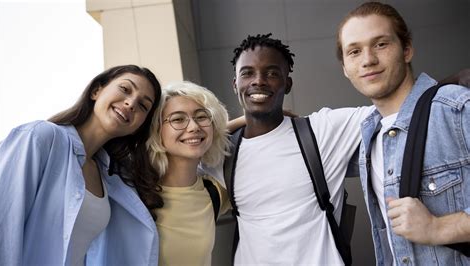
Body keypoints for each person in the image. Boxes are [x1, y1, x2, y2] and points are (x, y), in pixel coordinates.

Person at [337, 2, 470, 265]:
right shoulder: (368, 136)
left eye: (381, 44)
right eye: (354, 51)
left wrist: (438, 228)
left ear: (407, 49)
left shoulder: (456, 108)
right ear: (345, 68)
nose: (368, 60)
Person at [224, 33, 374, 265]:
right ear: (236, 84)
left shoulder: (321, 130)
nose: (259, 81)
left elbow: (398, 107)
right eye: (247, 73)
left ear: (288, 83)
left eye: (272, 73)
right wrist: (235, 123)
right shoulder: (223, 152)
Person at [0, 65, 163, 266]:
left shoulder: (110, 178)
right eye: (125, 89)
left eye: (143, 106)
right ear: (96, 91)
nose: (131, 103)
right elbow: (1, 221)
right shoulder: (41, 137)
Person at [147, 81, 231, 266]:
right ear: (156, 130)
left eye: (202, 117)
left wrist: (253, 120)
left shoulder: (215, 192)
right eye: (178, 119)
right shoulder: (134, 193)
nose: (193, 127)